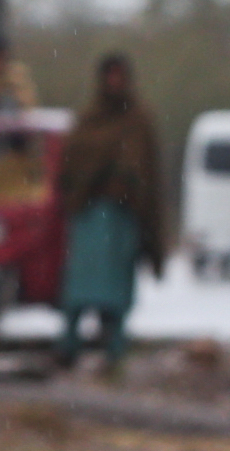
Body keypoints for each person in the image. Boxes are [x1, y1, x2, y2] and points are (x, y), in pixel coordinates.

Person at [57, 52, 169, 376]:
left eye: (120, 76)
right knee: (79, 289)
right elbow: (72, 162)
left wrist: (130, 188)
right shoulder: (89, 118)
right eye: (110, 75)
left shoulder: (139, 119)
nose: (115, 82)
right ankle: (69, 347)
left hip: (123, 217)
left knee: (117, 291)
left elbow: (147, 169)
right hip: (89, 215)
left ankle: (114, 349)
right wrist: (84, 186)